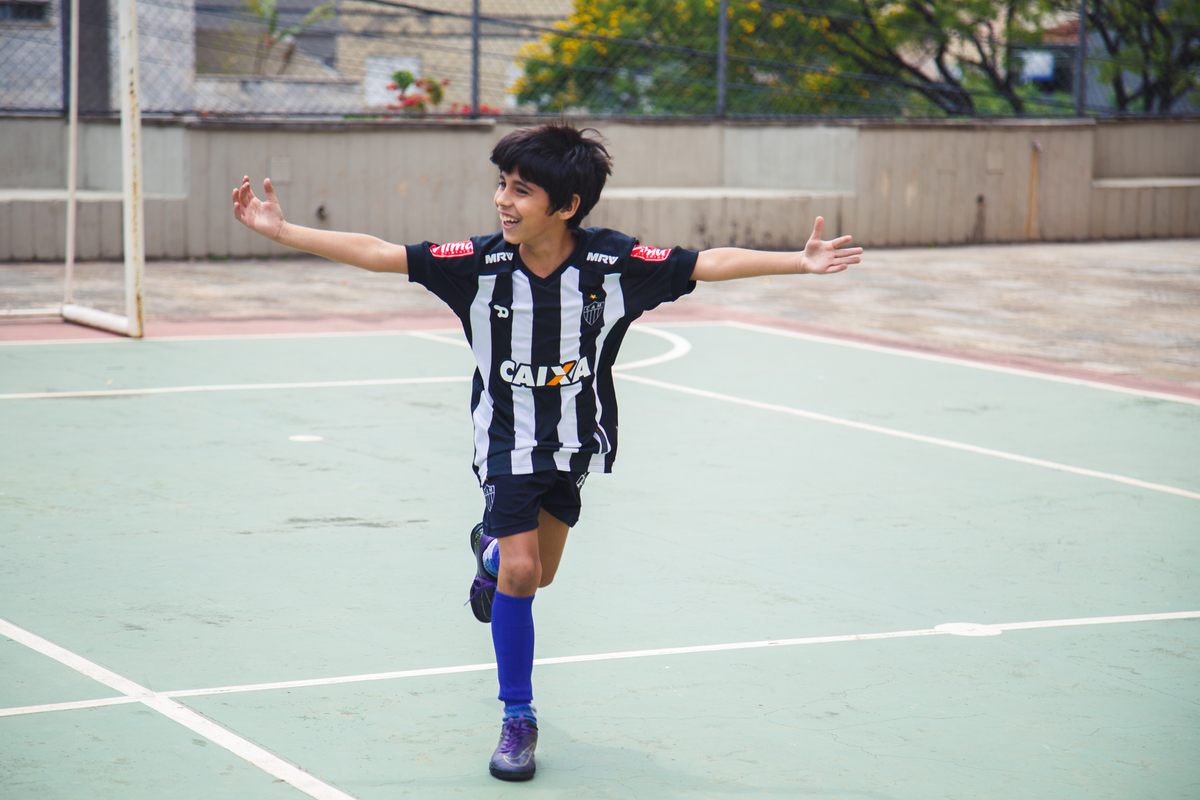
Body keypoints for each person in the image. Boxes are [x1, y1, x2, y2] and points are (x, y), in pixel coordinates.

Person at [231, 123, 862, 782]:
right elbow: (381, 253)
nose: (502, 201)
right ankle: (518, 716)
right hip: (505, 441)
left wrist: (798, 261)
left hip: (573, 444)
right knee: (524, 571)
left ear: (566, 206)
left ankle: (489, 552)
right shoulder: (477, 264)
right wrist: (285, 231)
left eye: (521, 191)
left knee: (536, 574)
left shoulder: (613, 264)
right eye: (502, 185)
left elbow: (706, 262)